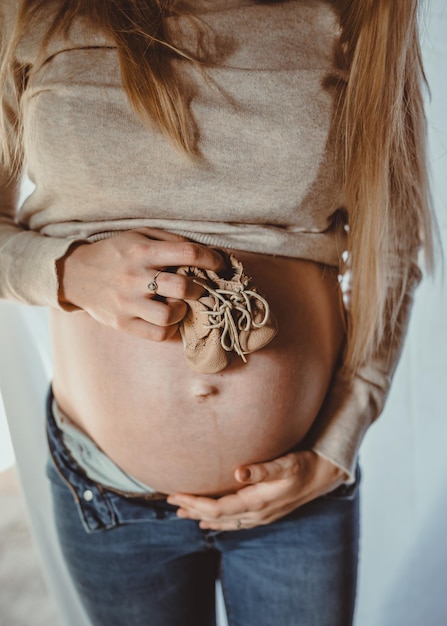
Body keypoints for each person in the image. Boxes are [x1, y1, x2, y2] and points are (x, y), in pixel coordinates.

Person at [0, 1, 437, 625]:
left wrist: (338, 445)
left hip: (296, 488)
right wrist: (67, 271)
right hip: (108, 488)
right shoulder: (31, 11)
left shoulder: (356, 15)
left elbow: (391, 253)